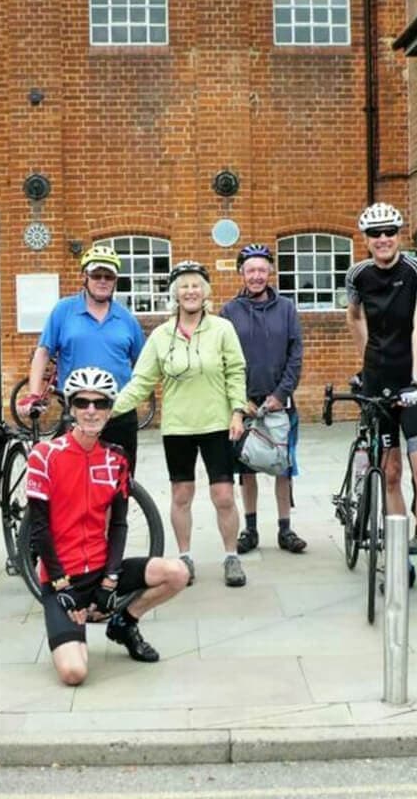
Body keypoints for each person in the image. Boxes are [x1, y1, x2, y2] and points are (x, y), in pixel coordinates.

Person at [26, 367, 189, 686]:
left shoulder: (116, 458)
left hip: (101, 568)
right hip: (62, 577)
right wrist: (63, 588)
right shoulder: (44, 455)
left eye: (100, 404)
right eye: (83, 403)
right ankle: (74, 625)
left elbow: (118, 524)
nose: (91, 410)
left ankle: (124, 623)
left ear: (110, 409)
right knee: (75, 673)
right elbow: (39, 530)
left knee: (178, 573)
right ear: (71, 408)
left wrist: (110, 579)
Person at [345, 202, 417, 605]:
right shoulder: (358, 274)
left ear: (398, 234)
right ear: (367, 240)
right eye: (375, 235)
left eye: (389, 232)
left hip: (413, 384)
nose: (383, 240)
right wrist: (365, 364)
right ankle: (398, 560)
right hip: (378, 383)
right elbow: (354, 317)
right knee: (390, 475)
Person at [112, 261, 249, 588]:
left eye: (196, 285)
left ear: (205, 293)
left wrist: (238, 412)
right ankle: (185, 556)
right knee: (181, 494)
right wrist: (108, 409)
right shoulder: (161, 336)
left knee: (224, 496)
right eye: (184, 286)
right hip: (178, 427)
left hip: (217, 423)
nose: (190, 291)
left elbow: (236, 371)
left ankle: (231, 556)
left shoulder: (221, 329)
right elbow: (141, 382)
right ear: (175, 294)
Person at [20, 244, 145, 471]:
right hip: (79, 408)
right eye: (96, 275)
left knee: (121, 483)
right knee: (70, 479)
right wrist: (34, 394)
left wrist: (135, 395)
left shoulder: (127, 318)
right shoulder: (64, 310)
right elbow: (43, 352)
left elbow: (144, 365)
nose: (102, 281)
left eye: (109, 276)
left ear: (115, 281)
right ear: (84, 277)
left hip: (118, 411)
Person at [219, 243, 306, 556]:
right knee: (247, 469)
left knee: (284, 466)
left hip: (281, 402)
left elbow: (295, 356)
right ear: (241, 273)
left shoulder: (286, 308)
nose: (256, 276)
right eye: (250, 270)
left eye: (262, 269)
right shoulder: (229, 312)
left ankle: (285, 529)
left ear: (271, 272)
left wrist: (281, 394)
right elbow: (223, 359)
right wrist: (241, 401)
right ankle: (251, 528)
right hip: (245, 404)